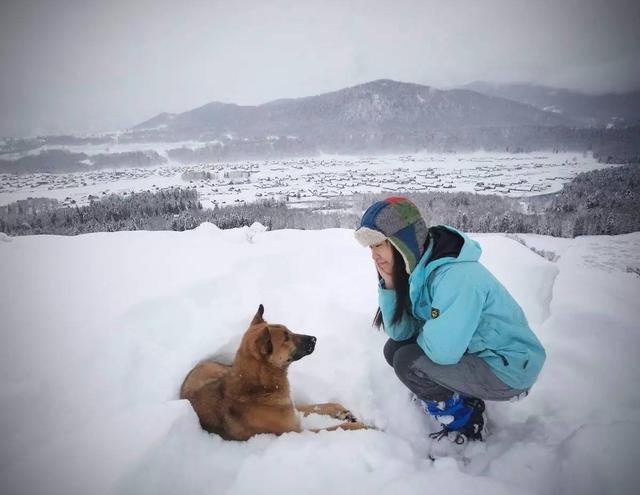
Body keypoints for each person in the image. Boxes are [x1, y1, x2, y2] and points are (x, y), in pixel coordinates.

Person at [354, 196, 546, 447]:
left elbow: (442, 352)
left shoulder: (456, 277)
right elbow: (400, 332)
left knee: (407, 361)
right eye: (371, 247)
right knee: (395, 349)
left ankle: (466, 422)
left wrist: (425, 337)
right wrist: (389, 284)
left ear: (404, 242)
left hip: (508, 368)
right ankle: (449, 392)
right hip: (477, 352)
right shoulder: (420, 267)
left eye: (379, 244)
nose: (374, 255)